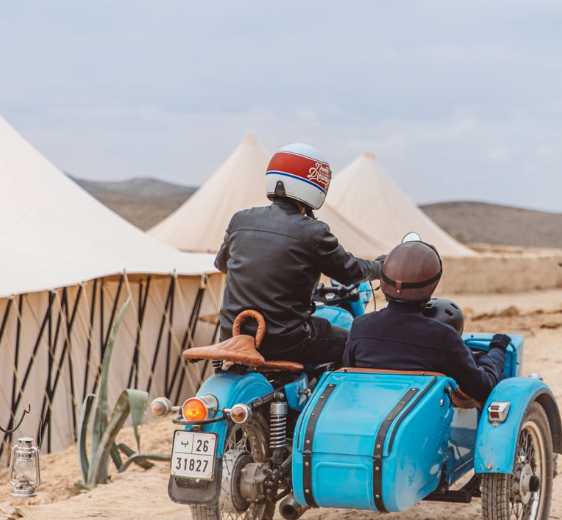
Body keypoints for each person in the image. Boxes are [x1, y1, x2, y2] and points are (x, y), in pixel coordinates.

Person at [215, 143, 384, 367]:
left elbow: (222, 264)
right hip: (285, 340)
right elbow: (351, 272)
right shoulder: (313, 231)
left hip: (232, 335)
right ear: (316, 184)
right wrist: (381, 266)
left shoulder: (240, 220)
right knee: (355, 342)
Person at [342, 238, 512, 402]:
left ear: (385, 280)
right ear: (430, 285)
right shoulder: (443, 337)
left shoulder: (359, 326)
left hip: (373, 412)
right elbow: (483, 388)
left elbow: (350, 374)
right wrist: (495, 351)